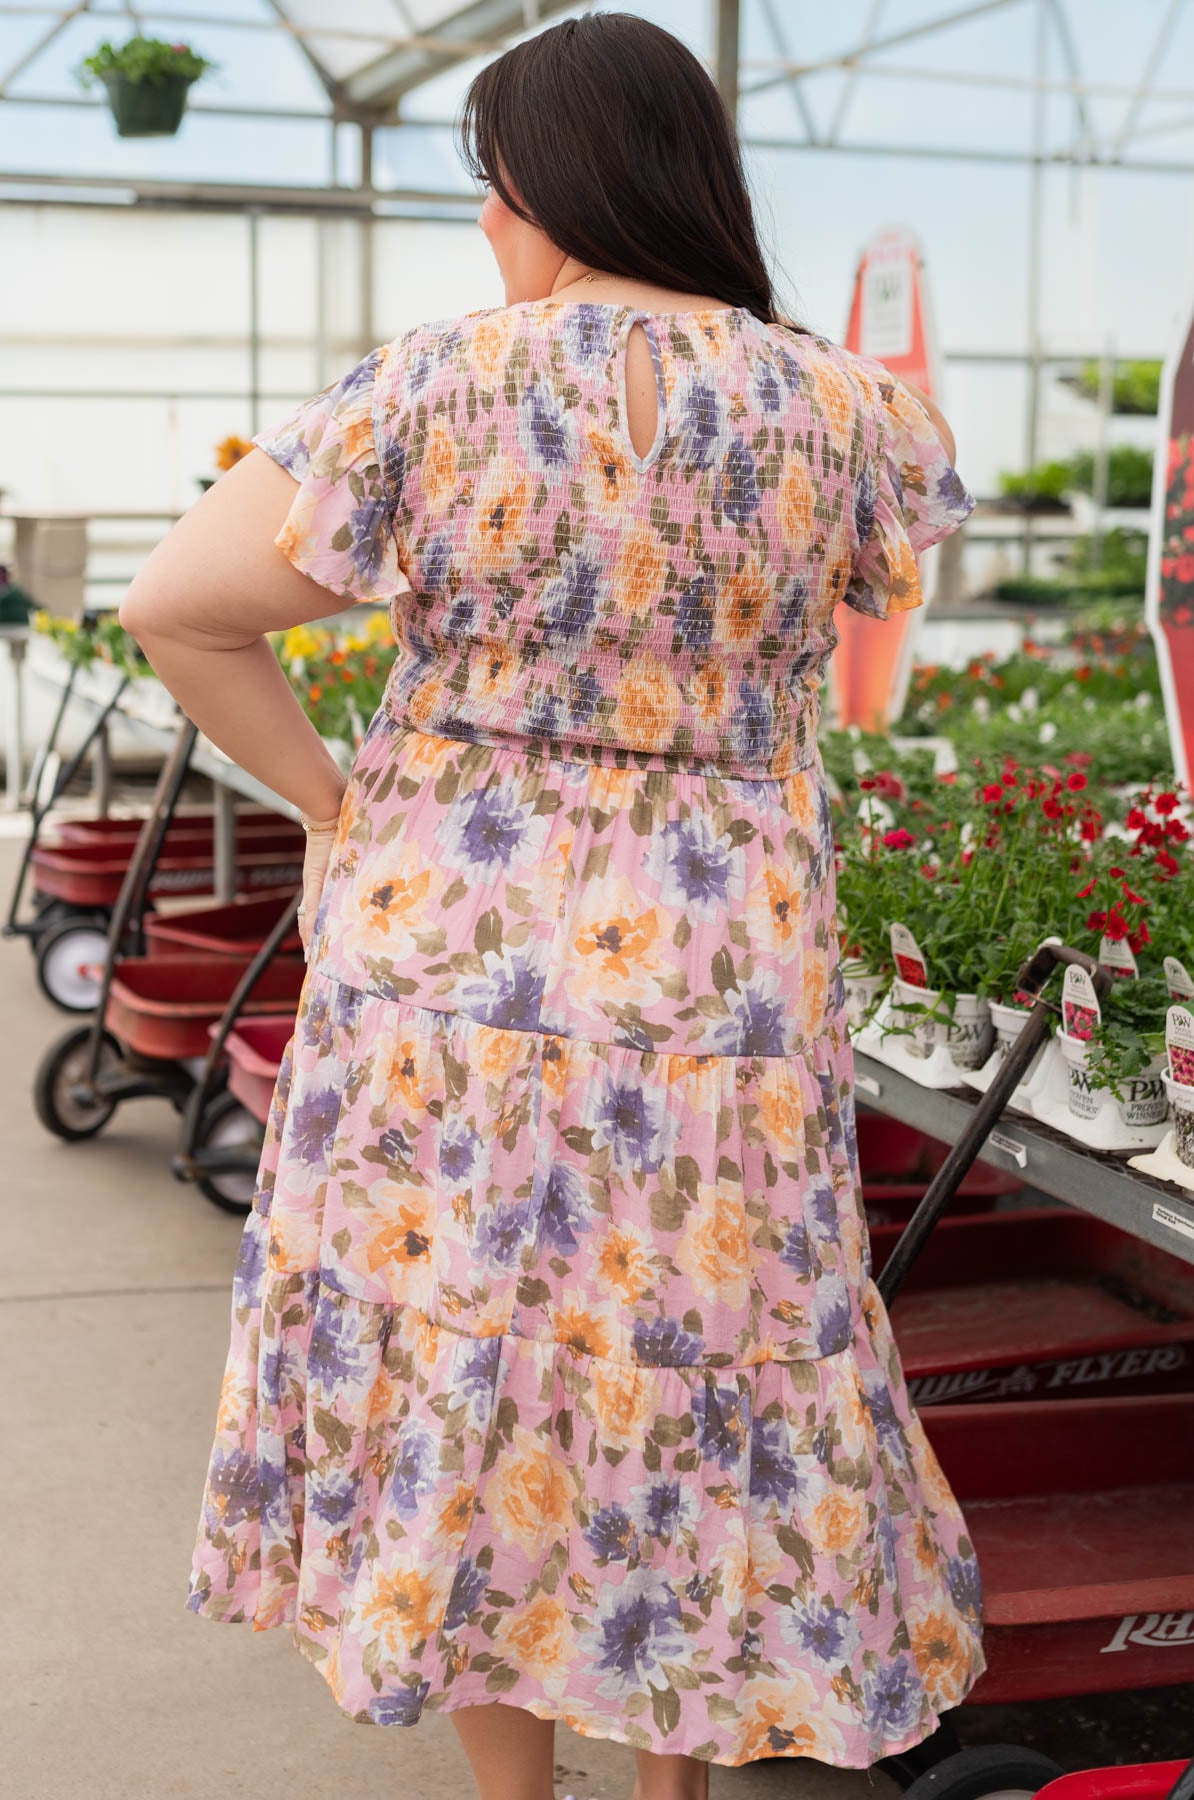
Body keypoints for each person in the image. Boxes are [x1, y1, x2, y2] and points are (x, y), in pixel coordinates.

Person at [119, 14, 983, 1800]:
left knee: (468, 1357)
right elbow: (880, 597)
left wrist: (340, 802)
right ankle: (667, 1778)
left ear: (532, 184)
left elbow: (181, 604)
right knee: (683, 1360)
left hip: (452, 947)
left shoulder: (439, 381)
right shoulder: (841, 408)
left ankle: (518, 1797)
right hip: (719, 959)